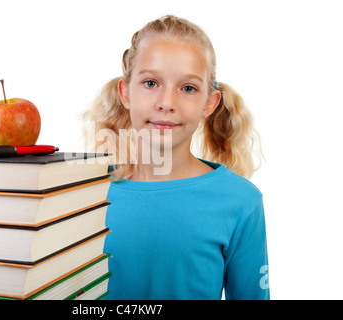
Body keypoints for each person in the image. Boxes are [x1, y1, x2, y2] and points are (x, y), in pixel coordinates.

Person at [82, 15, 269, 300]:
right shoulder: (81, 196)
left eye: (188, 88)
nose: (166, 103)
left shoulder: (242, 202)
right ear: (125, 93)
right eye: (150, 83)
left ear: (210, 102)